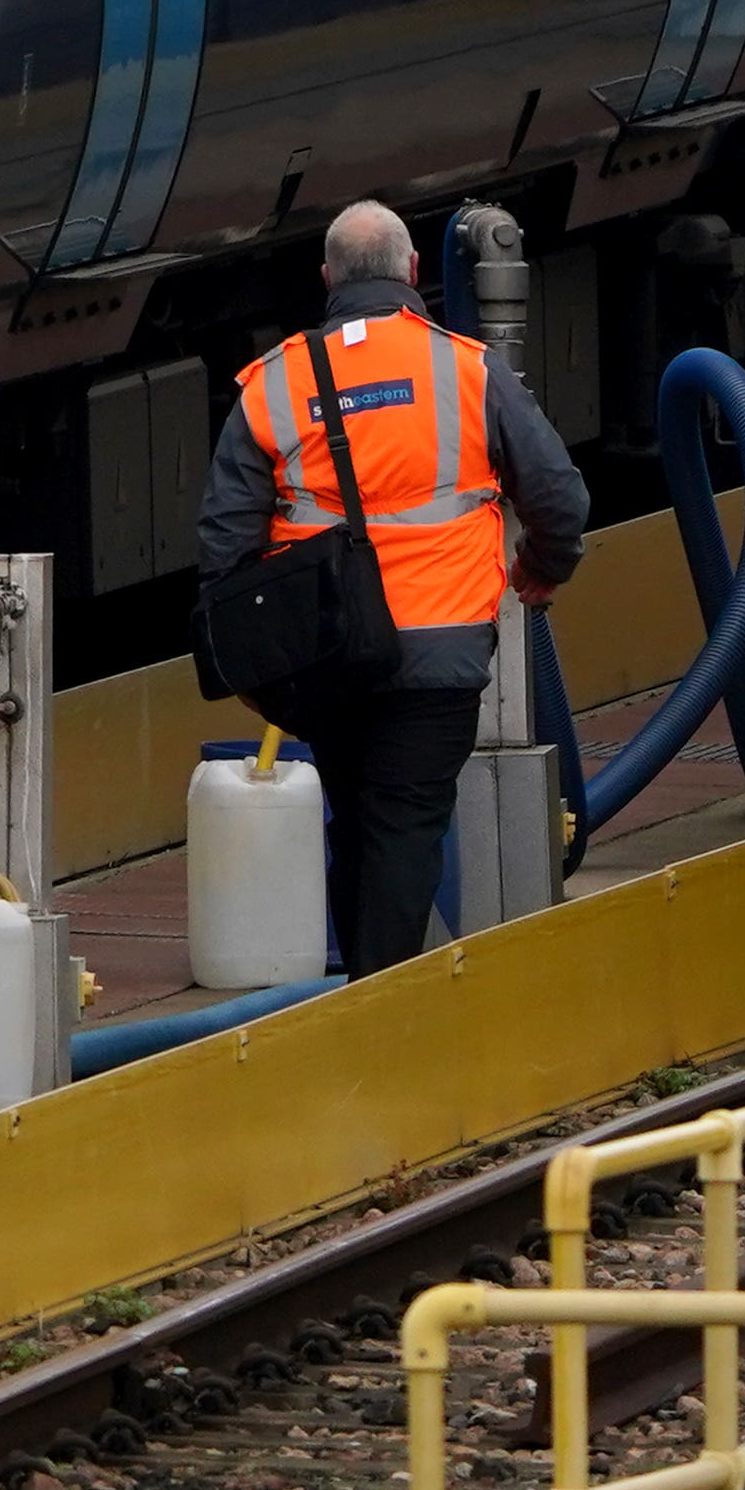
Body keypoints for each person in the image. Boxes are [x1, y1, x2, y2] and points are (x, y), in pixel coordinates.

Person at [195, 200, 590, 977]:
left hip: (326, 657)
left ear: (326, 280)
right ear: (413, 271)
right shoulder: (469, 368)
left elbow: (223, 544)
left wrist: (251, 667)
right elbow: (559, 496)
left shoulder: (274, 383)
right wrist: (546, 565)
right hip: (440, 651)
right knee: (404, 825)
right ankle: (380, 1005)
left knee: (358, 824)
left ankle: (364, 996)